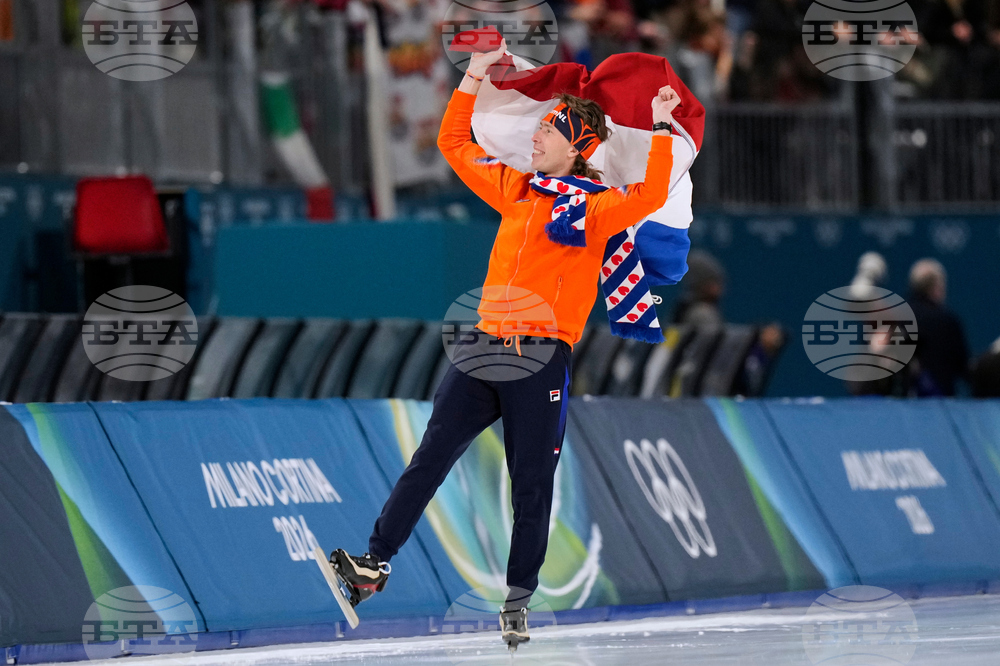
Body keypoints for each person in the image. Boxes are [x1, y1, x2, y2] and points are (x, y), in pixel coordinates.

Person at [327, 38, 681, 647]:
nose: (537, 137)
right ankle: (372, 566)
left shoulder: (597, 212)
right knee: (429, 460)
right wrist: (470, 80)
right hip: (484, 348)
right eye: (540, 127)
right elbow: (453, 144)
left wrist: (661, 127)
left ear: (580, 147)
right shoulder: (518, 190)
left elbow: (649, 194)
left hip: (541, 360)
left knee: (531, 485)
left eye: (549, 130)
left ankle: (518, 598)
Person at [906, 258, 970, 396]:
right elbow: (963, 366)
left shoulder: (896, 317)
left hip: (897, 407)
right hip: (940, 406)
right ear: (936, 288)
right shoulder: (947, 321)